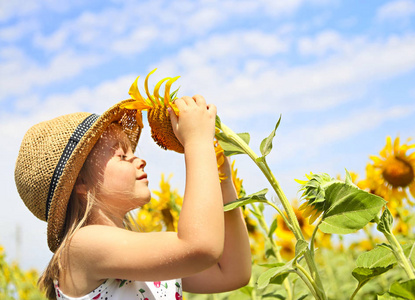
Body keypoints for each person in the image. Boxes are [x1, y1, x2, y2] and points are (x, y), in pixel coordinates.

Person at [15, 95, 252, 300]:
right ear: (81, 183)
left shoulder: (135, 253)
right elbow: (200, 247)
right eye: (121, 155)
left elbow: (232, 272)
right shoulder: (81, 246)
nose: (139, 159)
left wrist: (222, 179)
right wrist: (198, 143)